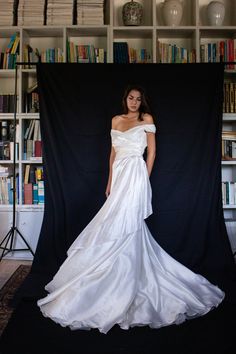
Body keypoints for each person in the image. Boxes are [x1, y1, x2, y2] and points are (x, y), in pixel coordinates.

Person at [37, 84, 225, 334]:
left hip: (136, 173)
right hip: (119, 173)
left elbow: (153, 152)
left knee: (128, 221)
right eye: (131, 98)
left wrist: (144, 179)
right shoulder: (116, 119)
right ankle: (110, 276)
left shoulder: (147, 119)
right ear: (125, 99)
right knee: (112, 221)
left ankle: (128, 276)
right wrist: (109, 181)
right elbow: (112, 153)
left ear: (141, 101)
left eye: (138, 99)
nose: (134, 102)